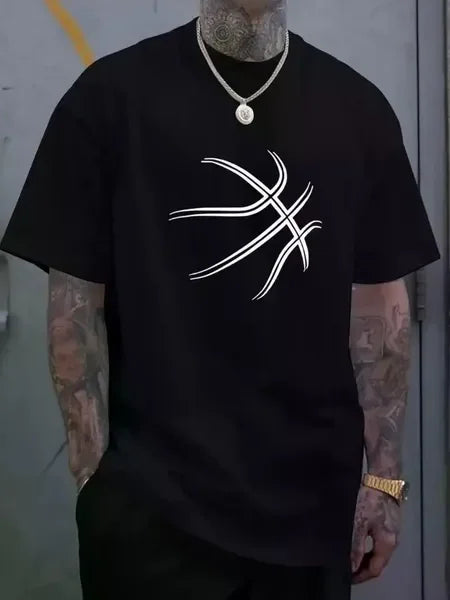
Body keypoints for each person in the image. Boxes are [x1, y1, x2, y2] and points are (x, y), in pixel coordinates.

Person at [0, 1, 440, 598]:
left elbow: (381, 314)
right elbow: (73, 313)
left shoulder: (358, 111)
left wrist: (384, 482)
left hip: (312, 519)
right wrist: (95, 487)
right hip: (154, 521)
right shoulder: (109, 100)